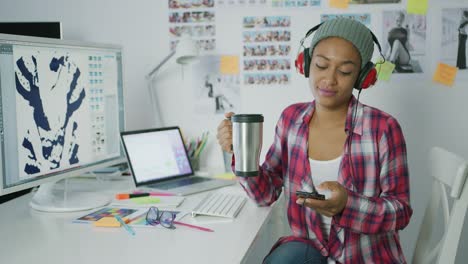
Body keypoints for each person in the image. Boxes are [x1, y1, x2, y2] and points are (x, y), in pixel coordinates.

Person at [217, 17, 412, 263]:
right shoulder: (291, 120)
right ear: (305, 63)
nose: (329, 80)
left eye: (344, 71)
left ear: (363, 77)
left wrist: (347, 205)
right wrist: (241, 153)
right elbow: (264, 194)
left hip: (365, 258)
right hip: (310, 253)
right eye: (321, 65)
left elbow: (401, 212)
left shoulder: (384, 128)